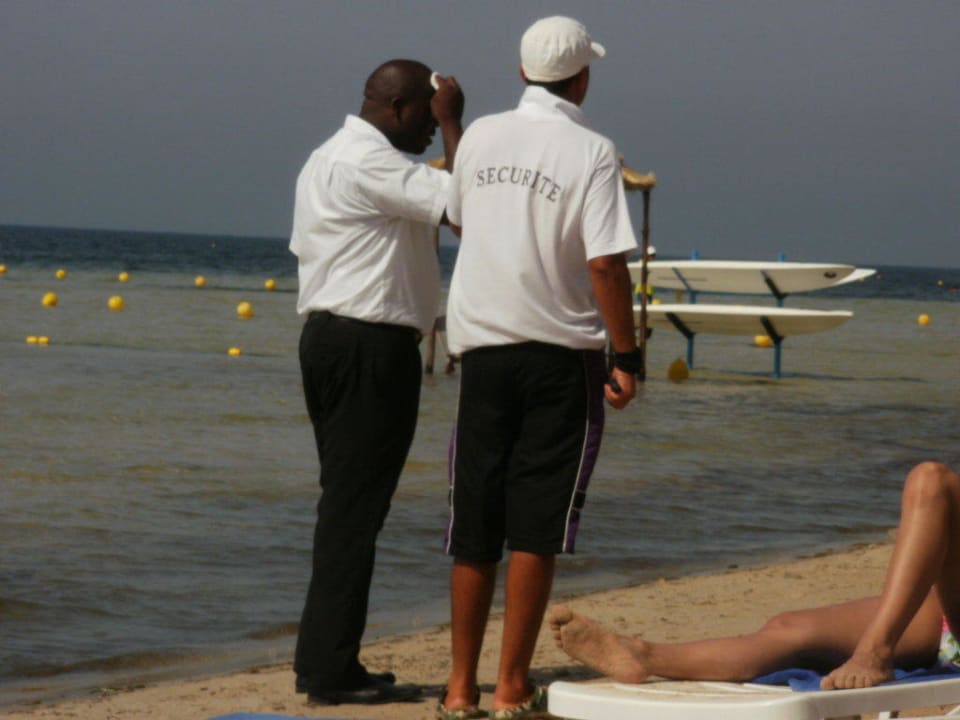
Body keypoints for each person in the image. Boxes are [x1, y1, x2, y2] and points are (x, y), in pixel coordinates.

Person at [439, 16, 640, 719]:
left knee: (475, 520)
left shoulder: (482, 137)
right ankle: (510, 685)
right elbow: (607, 262)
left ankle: (459, 688)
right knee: (536, 525)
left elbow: (461, 218)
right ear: (581, 78)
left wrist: (452, 128)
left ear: (523, 71)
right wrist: (630, 354)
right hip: (560, 356)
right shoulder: (591, 149)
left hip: (484, 352)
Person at [289, 59, 464, 706]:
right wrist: (455, 122)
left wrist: (440, 126)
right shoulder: (371, 163)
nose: (427, 130)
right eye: (424, 114)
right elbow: (466, 207)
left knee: (349, 506)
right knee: (353, 510)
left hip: (336, 340)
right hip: (367, 345)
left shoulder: (328, 157)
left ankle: (328, 658)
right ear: (398, 108)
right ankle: (328, 670)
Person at [549, 461, 960, 690]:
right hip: (947, 620)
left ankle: (875, 651)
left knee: (931, 481)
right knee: (789, 628)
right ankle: (645, 655)